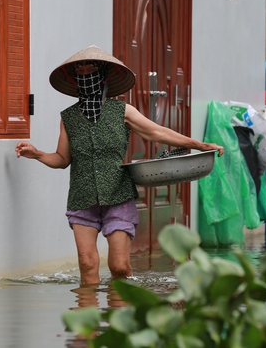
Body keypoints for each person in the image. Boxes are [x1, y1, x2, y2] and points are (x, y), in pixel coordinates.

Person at [15, 46, 224, 284]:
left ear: (102, 75)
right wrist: (37, 154)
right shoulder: (68, 118)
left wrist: (199, 144)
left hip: (118, 195)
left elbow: (157, 132)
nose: (85, 75)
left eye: (91, 70)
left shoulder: (122, 111)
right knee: (87, 264)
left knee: (119, 266)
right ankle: (88, 318)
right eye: (80, 71)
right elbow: (62, 160)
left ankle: (121, 314)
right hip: (82, 197)